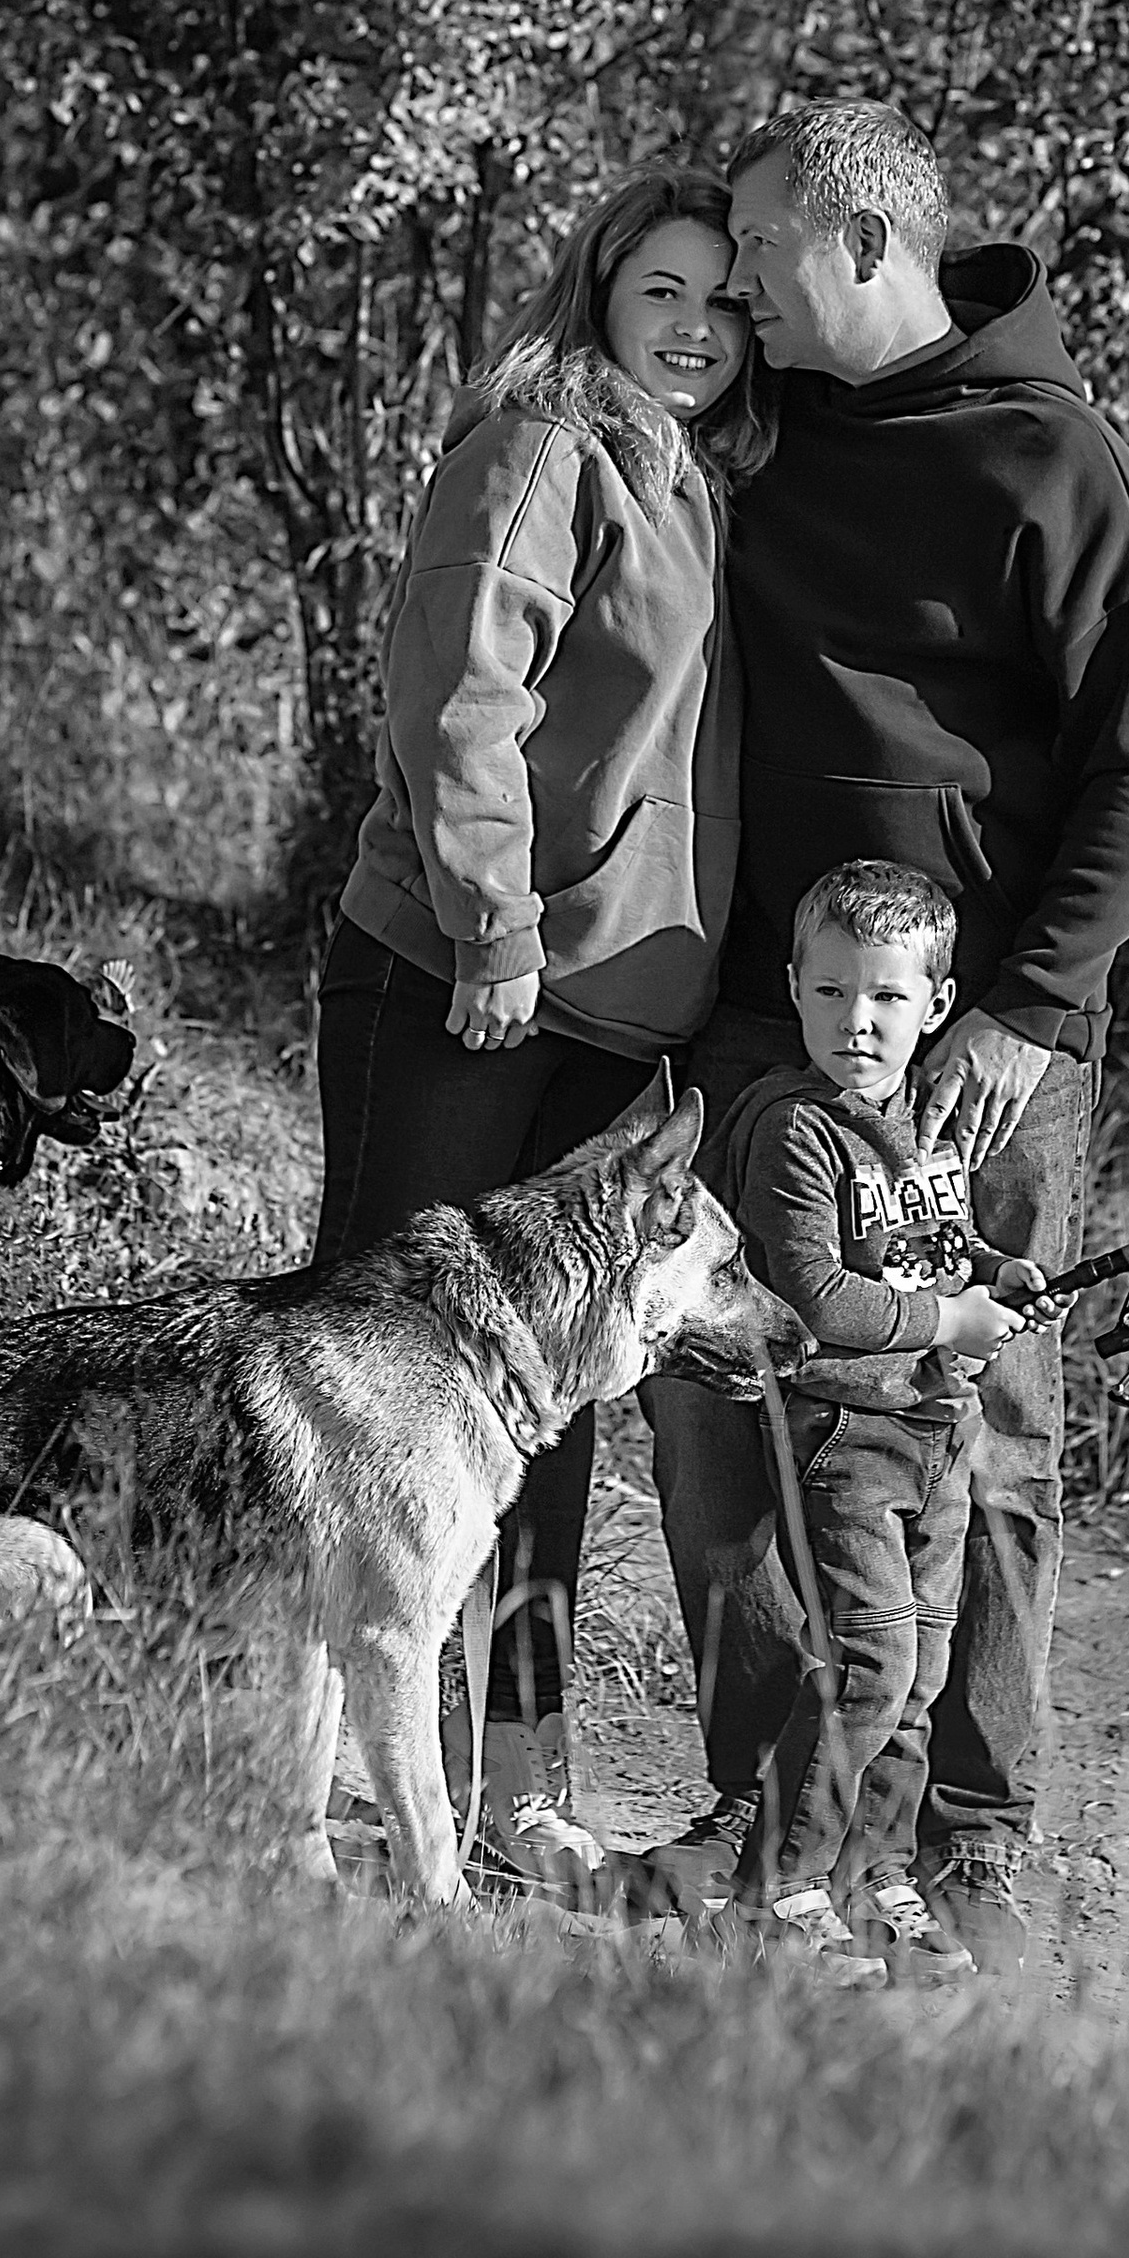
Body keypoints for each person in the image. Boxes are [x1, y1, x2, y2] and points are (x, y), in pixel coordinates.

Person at [642, 98, 1129, 1969]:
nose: (740, 298)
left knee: (978, 1430)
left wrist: (1032, 1016)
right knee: (732, 1404)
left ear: (864, 248)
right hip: (756, 1027)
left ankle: (966, 1844)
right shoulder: (768, 430)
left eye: (765, 261)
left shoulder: (1050, 461)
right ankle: (774, 1817)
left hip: (975, 1058)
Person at [313, 164, 770, 1886]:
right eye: (663, 290)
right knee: (377, 1390)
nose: (696, 327)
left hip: (612, 1022)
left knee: (540, 1417)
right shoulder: (543, 449)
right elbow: (458, 699)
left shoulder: (708, 487)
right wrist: (493, 922)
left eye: (727, 302)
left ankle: (508, 1785)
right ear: (599, 289)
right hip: (460, 980)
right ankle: (314, 1746)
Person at [718, 860, 1064, 1985]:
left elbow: (937, 1248)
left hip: (940, 1432)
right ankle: (781, 1887)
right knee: (870, 1660)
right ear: (793, 987)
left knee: (919, 1676)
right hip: (844, 1439)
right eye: (827, 994)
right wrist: (947, 1316)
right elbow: (820, 1294)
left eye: (882, 999)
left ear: (938, 1005)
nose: (853, 1023)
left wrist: (998, 1278)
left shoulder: (930, 1116)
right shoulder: (794, 1129)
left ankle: (873, 1874)